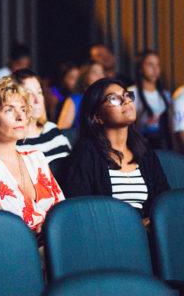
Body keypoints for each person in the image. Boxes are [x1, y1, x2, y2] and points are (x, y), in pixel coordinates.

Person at [0, 76, 64, 234]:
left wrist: (49, 230)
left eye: (23, 109)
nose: (20, 116)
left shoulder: (36, 157)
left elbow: (62, 212)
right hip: (10, 251)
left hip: (53, 245)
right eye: (9, 109)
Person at [62, 78, 170, 222]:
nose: (126, 101)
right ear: (97, 117)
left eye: (127, 95)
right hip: (108, 238)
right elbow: (81, 211)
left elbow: (165, 204)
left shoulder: (145, 152)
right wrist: (134, 227)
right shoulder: (86, 153)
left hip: (147, 239)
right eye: (113, 99)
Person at [12, 69, 71, 164]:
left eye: (39, 92)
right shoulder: (11, 141)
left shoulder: (52, 130)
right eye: (29, 94)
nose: (37, 100)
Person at [128, 50, 171, 149]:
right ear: (140, 68)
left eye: (157, 64)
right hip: (140, 146)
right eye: (150, 64)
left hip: (163, 146)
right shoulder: (131, 93)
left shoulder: (166, 95)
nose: (155, 69)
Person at [57, 62, 105, 129]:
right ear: (85, 76)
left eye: (102, 72)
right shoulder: (75, 100)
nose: (100, 76)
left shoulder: (107, 99)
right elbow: (62, 130)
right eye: (95, 73)